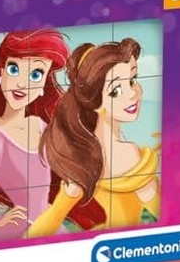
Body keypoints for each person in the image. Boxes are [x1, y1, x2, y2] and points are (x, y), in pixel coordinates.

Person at [0, 29, 105, 244]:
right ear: (1, 74)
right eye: (14, 69)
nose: (22, 83)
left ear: (42, 86)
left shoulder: (39, 126)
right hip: (19, 230)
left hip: (48, 222)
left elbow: (71, 161)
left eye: (35, 75)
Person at [28, 38, 160, 238]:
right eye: (116, 91)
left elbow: (42, 227)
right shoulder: (128, 153)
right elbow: (176, 221)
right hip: (119, 247)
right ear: (94, 103)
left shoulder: (83, 156)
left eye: (132, 80)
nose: (133, 94)